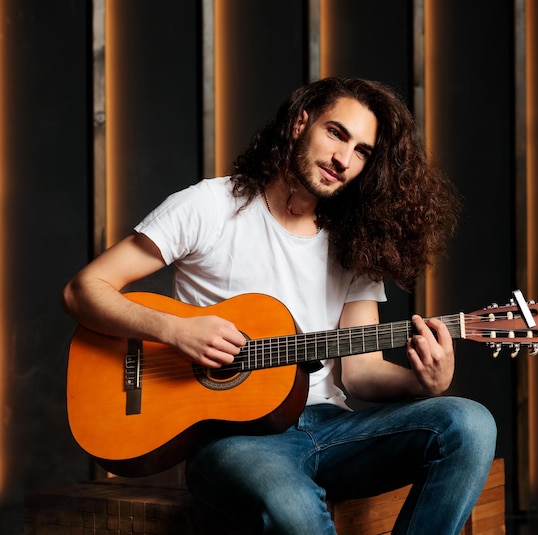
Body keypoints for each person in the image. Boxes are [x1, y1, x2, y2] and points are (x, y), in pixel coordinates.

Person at [62, 77, 497, 534]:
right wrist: (175, 330)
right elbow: (83, 289)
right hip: (235, 441)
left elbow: (362, 372)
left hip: (334, 429)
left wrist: (424, 382)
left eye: (363, 152)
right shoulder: (208, 207)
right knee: (290, 505)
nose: (343, 160)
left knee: (469, 423)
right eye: (336, 133)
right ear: (299, 124)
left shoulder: (358, 241)